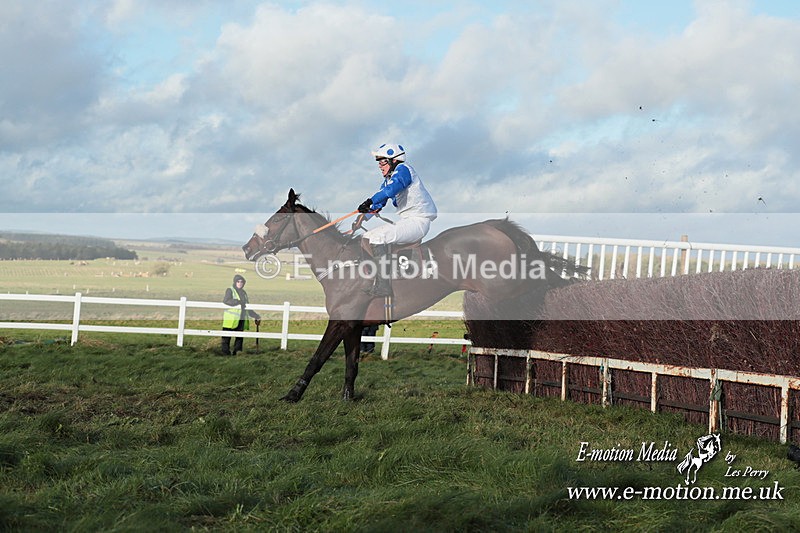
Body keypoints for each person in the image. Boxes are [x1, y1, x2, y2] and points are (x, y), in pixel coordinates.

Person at [357, 143, 437, 297]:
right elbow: (379, 203)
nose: (380, 166)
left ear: (394, 160)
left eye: (382, 162)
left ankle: (383, 287)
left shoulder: (403, 169)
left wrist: (369, 200)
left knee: (378, 237)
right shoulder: (388, 179)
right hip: (408, 220)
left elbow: (391, 190)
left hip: (418, 221)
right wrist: (362, 218)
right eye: (379, 163)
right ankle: (379, 277)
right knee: (367, 236)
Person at [221, 274, 261, 355]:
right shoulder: (230, 290)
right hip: (230, 319)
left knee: (239, 337)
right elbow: (226, 301)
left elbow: (247, 307)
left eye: (241, 282)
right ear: (235, 282)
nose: (240, 283)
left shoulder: (243, 293)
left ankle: (237, 352)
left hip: (241, 318)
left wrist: (255, 315)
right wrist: (238, 302)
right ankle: (225, 353)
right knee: (226, 337)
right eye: (238, 281)